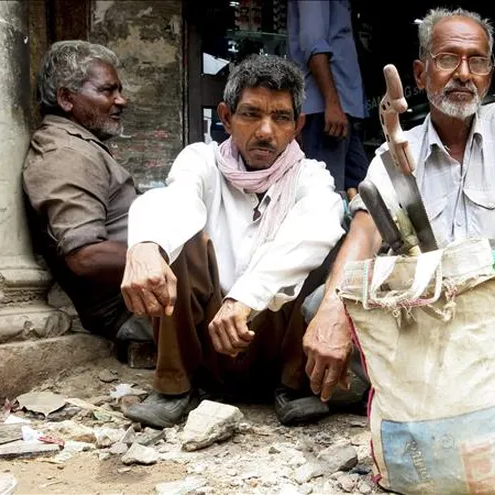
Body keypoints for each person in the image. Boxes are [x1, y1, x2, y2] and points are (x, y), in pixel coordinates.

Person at [303, 8, 495, 424]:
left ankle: (415, 396)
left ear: (488, 74)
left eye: (477, 61)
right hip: (418, 328)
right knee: (321, 306)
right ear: (420, 73)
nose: (464, 74)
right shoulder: (397, 149)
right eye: (448, 59)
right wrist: (333, 312)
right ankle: (475, 400)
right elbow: (366, 228)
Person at [120, 55, 345, 428]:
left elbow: (315, 227)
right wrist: (146, 245)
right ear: (226, 117)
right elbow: (175, 200)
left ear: (297, 126)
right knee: (178, 241)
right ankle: (174, 386)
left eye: (281, 118)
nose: (266, 131)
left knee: (327, 243)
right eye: (251, 114)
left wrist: (244, 299)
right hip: (208, 347)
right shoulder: (201, 161)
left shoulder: (311, 177)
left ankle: (294, 385)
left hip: (274, 345)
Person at [22, 40, 152, 344]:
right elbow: (86, 256)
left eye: (119, 91)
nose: (121, 100)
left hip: (147, 300)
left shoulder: (81, 147)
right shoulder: (65, 153)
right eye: (108, 91)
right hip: (133, 311)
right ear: (66, 98)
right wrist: (165, 256)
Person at [288, 0, 368, 199]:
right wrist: (332, 103)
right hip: (324, 111)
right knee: (324, 196)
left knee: (364, 193)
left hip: (339, 109)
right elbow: (313, 43)